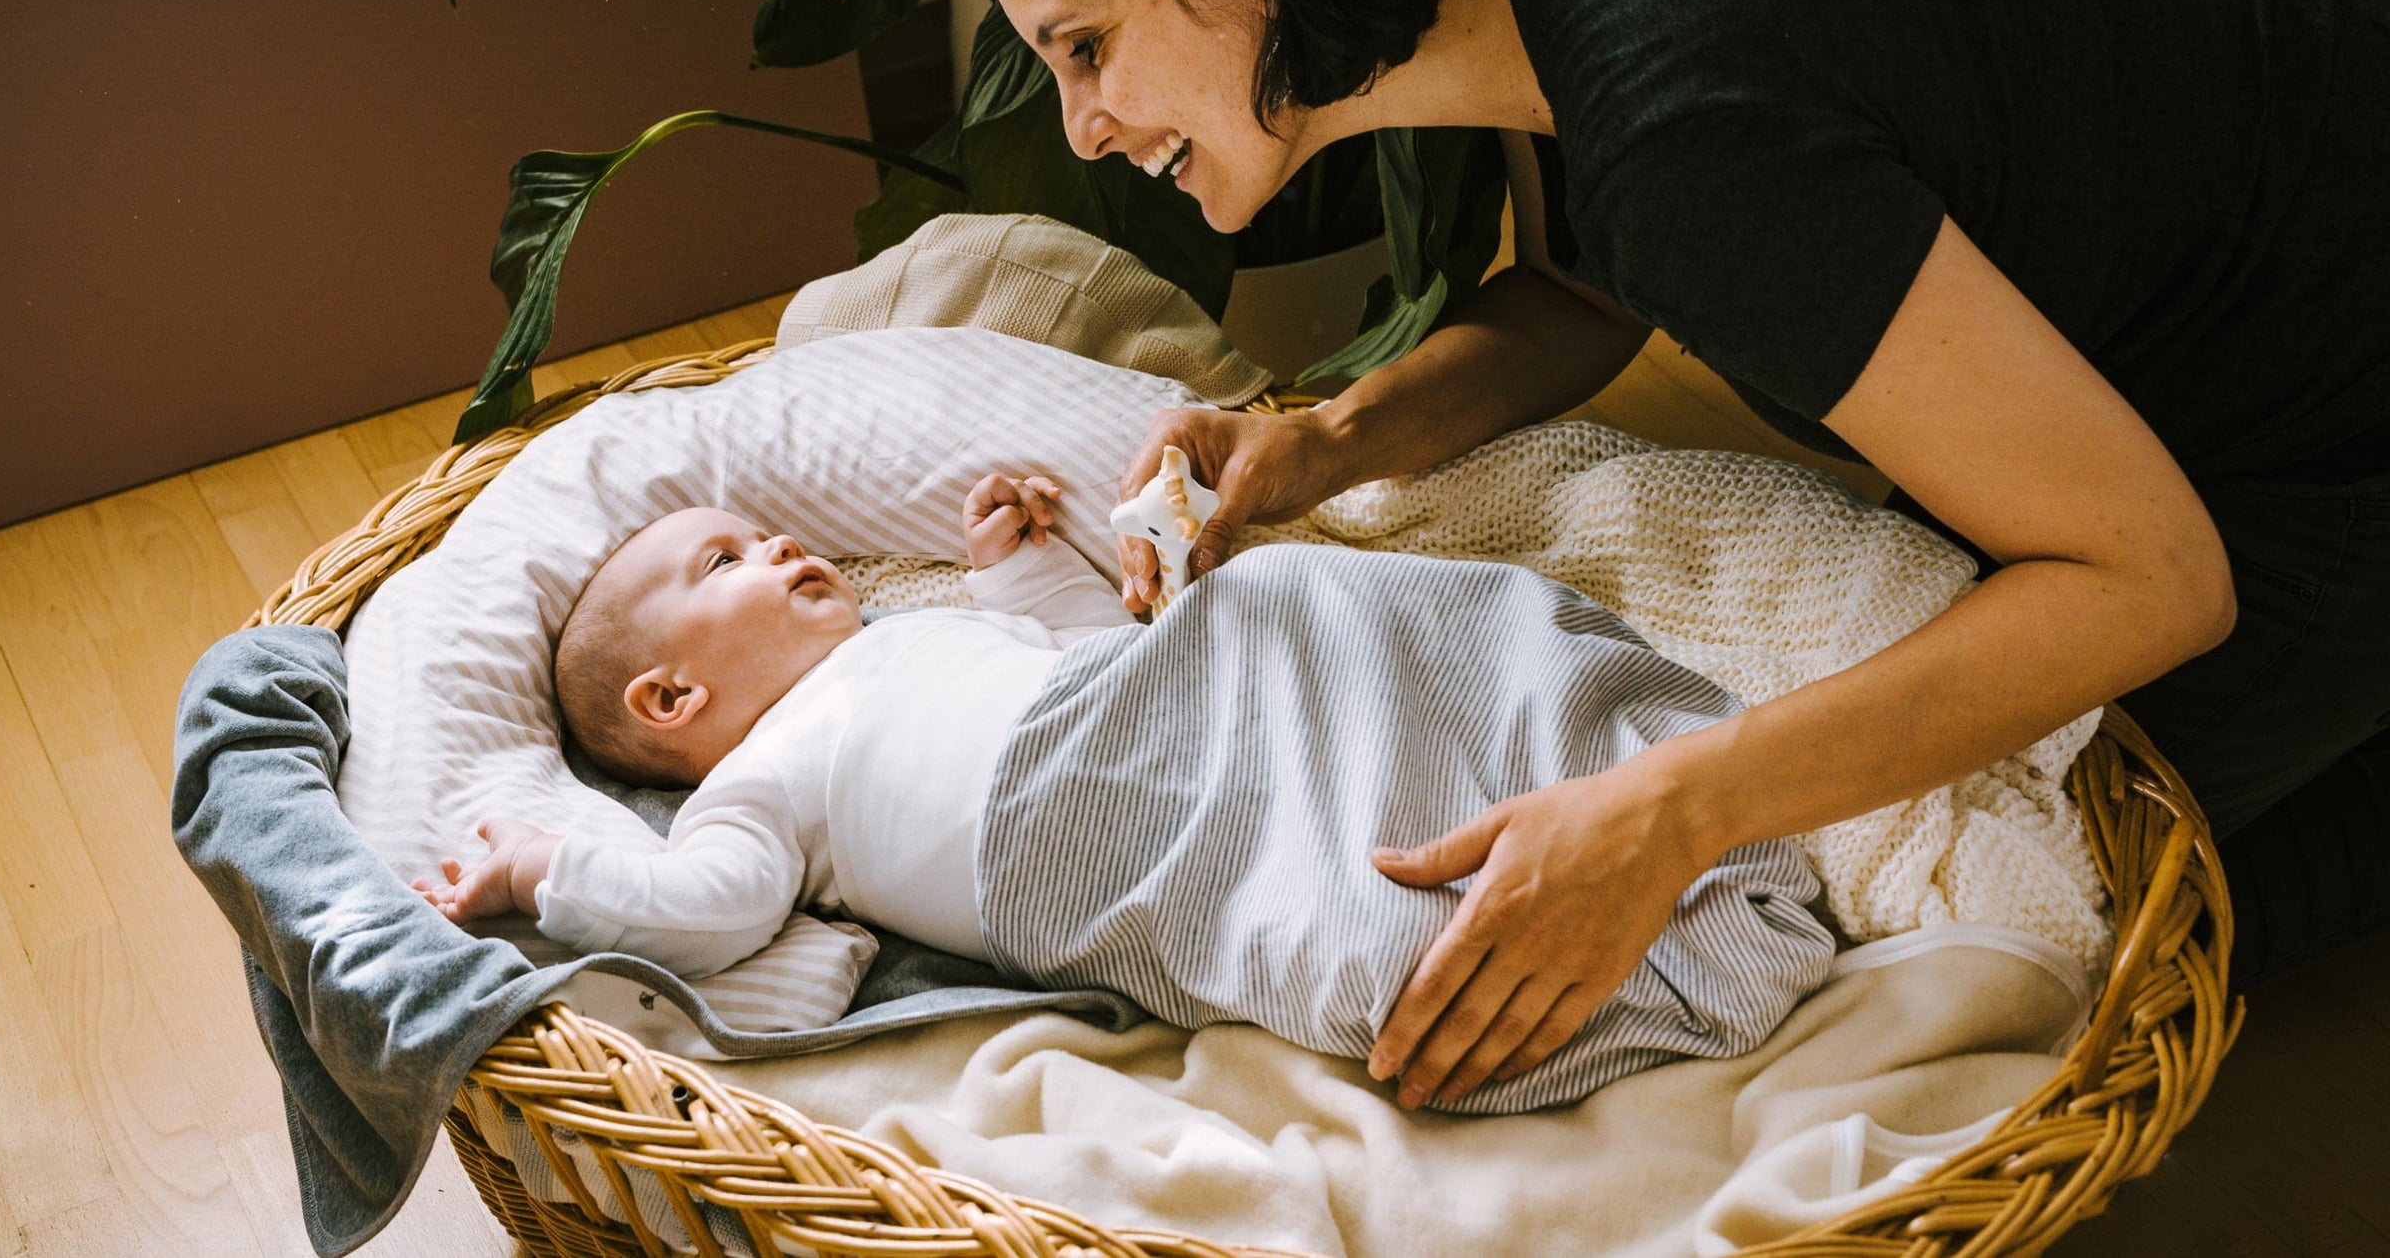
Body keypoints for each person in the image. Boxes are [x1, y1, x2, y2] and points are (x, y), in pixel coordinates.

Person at [970, 0, 2390, 1109]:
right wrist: (1331, 440)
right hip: (2275, 190)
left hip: (2319, 428)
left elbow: (2152, 579)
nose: (1082, 129)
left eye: (1084, 47)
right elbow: (1600, 278)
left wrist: (1667, 811)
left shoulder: (1680, 116)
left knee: (2016, 942)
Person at [411, 477, 1836, 1114]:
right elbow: (704, 914)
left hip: (1173, 703)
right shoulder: (764, 776)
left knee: (1284, 597)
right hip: (1109, 849)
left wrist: (1009, 568)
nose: (778, 544)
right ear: (673, 703)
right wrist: (546, 871)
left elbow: (1080, 657)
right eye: (724, 561)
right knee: (1344, 930)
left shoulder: (909, 633)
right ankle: (1679, 961)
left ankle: (1610, 752)